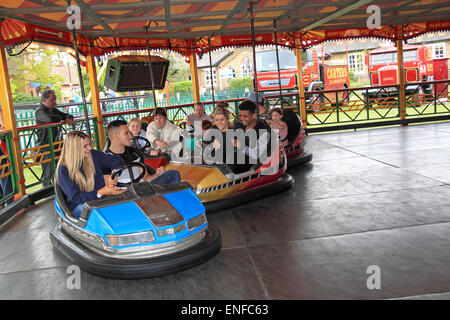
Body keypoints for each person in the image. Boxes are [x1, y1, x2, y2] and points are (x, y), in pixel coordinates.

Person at [54, 131, 125, 219]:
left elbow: (115, 159)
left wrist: (114, 173)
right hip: (80, 206)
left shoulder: (92, 155)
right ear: (74, 149)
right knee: (98, 213)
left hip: (101, 200)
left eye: (89, 144)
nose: (90, 148)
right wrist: (101, 192)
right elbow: (76, 198)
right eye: (85, 146)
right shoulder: (64, 169)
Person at [106, 120, 180, 186]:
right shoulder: (104, 159)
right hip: (122, 196)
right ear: (116, 136)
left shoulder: (134, 153)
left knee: (173, 174)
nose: (130, 135)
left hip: (142, 190)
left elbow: (147, 178)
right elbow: (107, 187)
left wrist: (158, 174)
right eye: (126, 133)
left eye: (129, 132)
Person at [35, 89, 74, 187]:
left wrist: (67, 118)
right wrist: (63, 119)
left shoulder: (53, 110)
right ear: (45, 100)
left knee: (61, 167)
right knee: (48, 172)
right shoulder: (40, 111)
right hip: (46, 145)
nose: (54, 102)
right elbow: (50, 119)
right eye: (52, 99)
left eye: (55, 99)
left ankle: (60, 189)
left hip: (56, 144)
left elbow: (67, 115)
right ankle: (47, 193)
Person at [232, 100, 272, 173]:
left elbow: (257, 155)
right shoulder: (239, 126)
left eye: (245, 116)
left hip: (253, 164)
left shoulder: (262, 131)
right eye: (240, 115)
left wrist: (240, 145)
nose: (242, 119)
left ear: (253, 115)